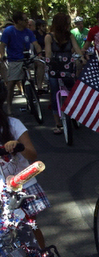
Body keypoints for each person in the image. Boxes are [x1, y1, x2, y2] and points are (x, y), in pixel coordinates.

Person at [0, 82, 49, 248]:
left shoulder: (13, 124)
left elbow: (32, 154)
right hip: (1, 189)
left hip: (21, 185)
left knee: (31, 224)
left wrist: (18, 146)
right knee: (5, 231)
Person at [45, 13, 83, 135]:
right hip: (54, 68)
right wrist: (49, 61)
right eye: (67, 22)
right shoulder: (49, 37)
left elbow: (77, 49)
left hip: (68, 68)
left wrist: (82, 57)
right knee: (55, 91)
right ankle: (57, 123)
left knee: (73, 89)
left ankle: (75, 112)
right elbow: (48, 53)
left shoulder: (70, 36)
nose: (69, 25)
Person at [0, 11, 42, 116]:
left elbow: (36, 44)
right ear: (18, 21)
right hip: (14, 60)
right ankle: (9, 107)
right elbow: (2, 45)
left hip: (27, 58)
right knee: (11, 84)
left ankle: (40, 87)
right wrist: (3, 56)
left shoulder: (28, 32)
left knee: (41, 64)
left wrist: (39, 54)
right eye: (25, 20)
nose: (27, 21)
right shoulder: (9, 31)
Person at [34, 19, 47, 94]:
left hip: (44, 54)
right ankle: (38, 86)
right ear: (38, 26)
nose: (44, 27)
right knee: (40, 64)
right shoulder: (34, 34)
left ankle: (41, 85)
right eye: (43, 26)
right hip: (35, 55)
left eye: (45, 26)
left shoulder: (46, 35)